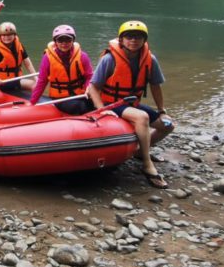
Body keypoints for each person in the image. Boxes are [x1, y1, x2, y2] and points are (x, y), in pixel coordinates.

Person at [88, 20, 174, 189]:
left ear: (144, 40)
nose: (133, 40)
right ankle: (148, 164)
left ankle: (139, 153)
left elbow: (155, 86)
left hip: (131, 104)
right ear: (121, 40)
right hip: (111, 104)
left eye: (138, 37)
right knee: (141, 117)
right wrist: (101, 110)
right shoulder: (109, 59)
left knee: (168, 126)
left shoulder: (150, 59)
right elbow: (93, 87)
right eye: (129, 37)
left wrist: (162, 111)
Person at [29, 25, 94, 115]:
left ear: (73, 40)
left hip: (81, 93)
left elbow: (89, 76)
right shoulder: (47, 58)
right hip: (60, 98)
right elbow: (42, 81)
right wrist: (32, 102)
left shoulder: (83, 56)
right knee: (79, 106)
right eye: (60, 40)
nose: (64, 43)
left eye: (68, 39)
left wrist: (88, 87)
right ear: (55, 41)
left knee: (93, 103)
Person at [0, 21, 37, 92]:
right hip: (2, 83)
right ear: (0, 36)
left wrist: (36, 78)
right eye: (4, 35)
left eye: (9, 35)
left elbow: (28, 64)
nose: (7, 37)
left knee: (36, 85)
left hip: (16, 80)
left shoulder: (19, 46)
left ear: (14, 35)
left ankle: (34, 101)